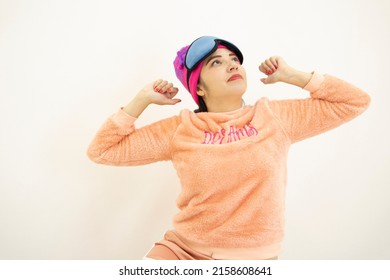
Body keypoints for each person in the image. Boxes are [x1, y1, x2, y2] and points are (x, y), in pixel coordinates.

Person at [87, 36, 371, 260]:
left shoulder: (274, 118)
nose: (233, 65)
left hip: (247, 259)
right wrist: (141, 100)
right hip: (180, 250)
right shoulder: (181, 129)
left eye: (234, 59)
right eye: (216, 63)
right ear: (198, 88)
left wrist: (294, 76)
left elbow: (354, 102)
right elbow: (103, 151)